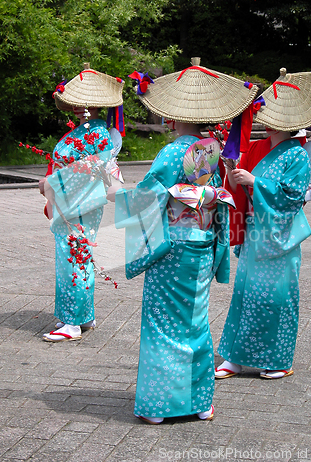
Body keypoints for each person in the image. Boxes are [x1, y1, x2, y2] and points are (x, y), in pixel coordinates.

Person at [114, 58, 259, 423]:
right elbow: (214, 196)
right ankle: (200, 402)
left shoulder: (172, 151)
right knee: (195, 320)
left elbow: (150, 195)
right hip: (202, 242)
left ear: (173, 116)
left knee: (164, 322)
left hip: (171, 246)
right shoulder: (215, 150)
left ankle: (161, 406)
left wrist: (117, 194)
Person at [215, 67, 311, 379]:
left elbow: (292, 198)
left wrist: (255, 182)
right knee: (245, 295)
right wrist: (234, 173)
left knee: (276, 297)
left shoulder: (298, 155)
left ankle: (276, 359)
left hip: (281, 235)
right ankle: (235, 357)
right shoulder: (259, 147)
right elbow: (240, 188)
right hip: (256, 232)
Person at [39, 63, 125, 342]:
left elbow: (91, 171)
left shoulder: (96, 133)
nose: (79, 107)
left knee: (73, 256)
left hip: (79, 202)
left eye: (84, 103)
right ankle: (84, 315)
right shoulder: (89, 130)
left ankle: (72, 322)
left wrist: (51, 184)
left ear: (97, 105)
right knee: (79, 255)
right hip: (74, 202)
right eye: (76, 102)